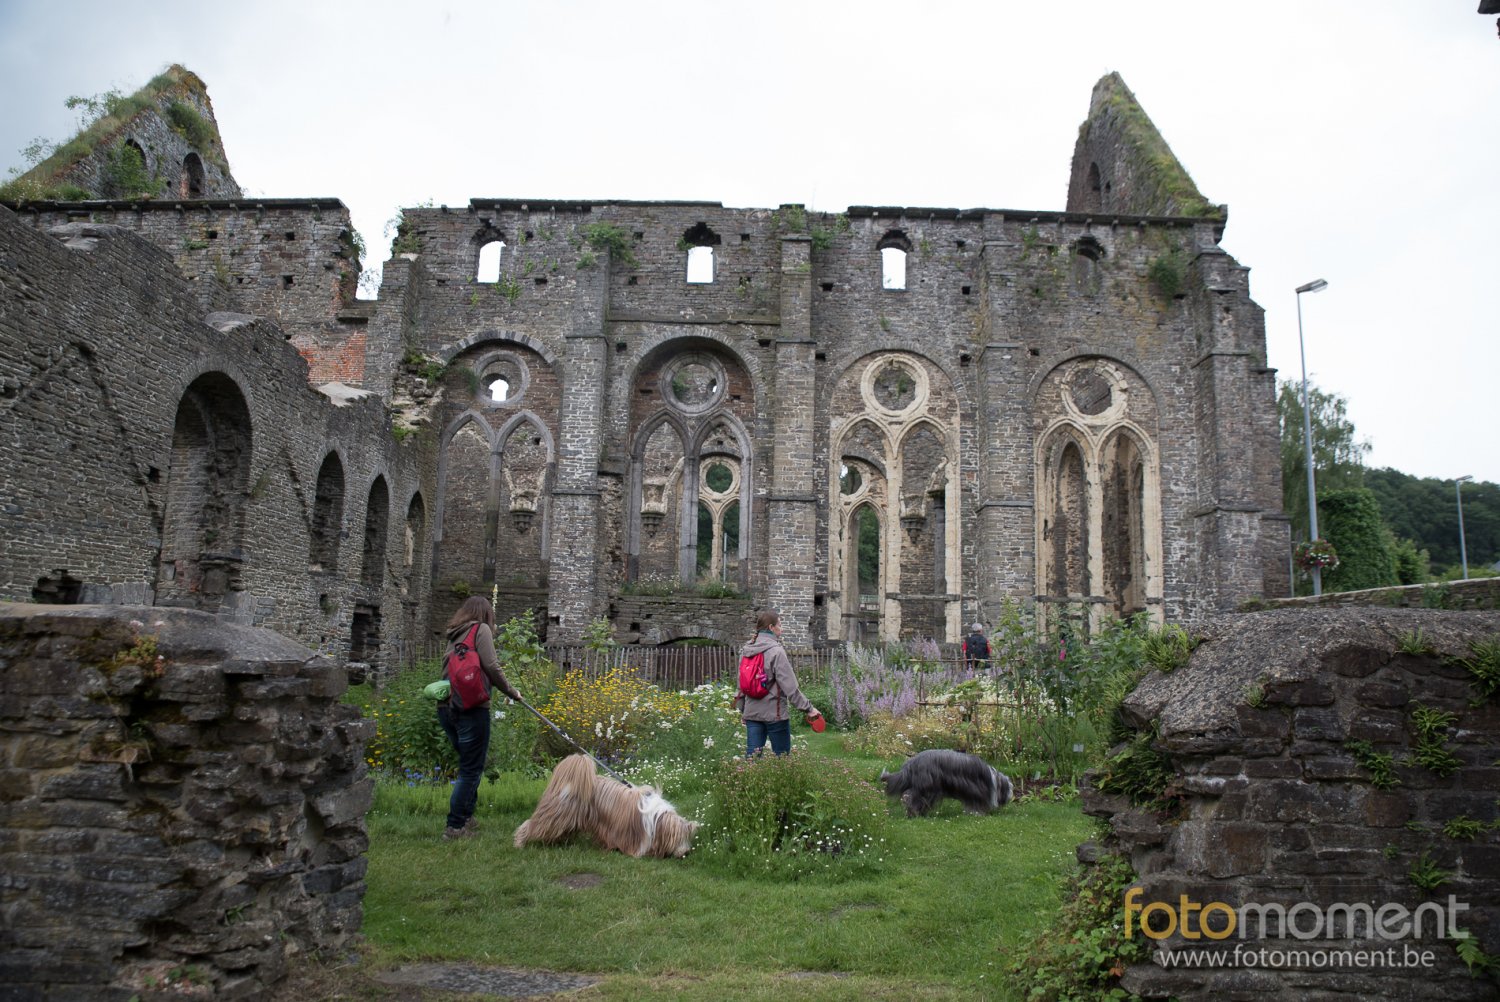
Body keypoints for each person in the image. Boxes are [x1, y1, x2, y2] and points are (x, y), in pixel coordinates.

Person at [436, 596, 523, 840]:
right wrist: (512, 692)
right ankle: (455, 827)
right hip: (471, 708)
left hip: (446, 707)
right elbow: (492, 666)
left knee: (469, 764)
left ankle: (466, 816)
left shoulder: (454, 634)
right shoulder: (480, 629)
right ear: (486, 614)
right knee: (471, 769)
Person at [737, 609, 821, 756]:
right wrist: (809, 709)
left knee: (752, 758)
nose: (781, 629)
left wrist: (742, 710)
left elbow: (741, 685)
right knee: (781, 758)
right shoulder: (776, 651)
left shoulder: (746, 650)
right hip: (774, 714)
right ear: (771, 627)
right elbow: (790, 687)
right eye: (779, 625)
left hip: (751, 713)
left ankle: (749, 772)